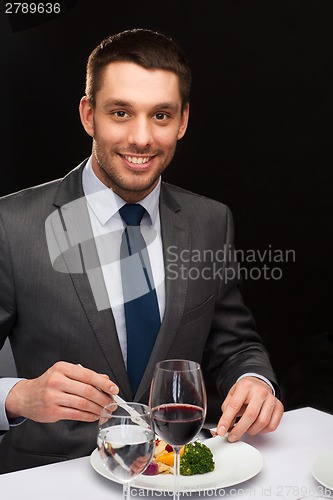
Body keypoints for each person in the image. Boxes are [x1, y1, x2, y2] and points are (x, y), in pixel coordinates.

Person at [0, 28, 284, 473]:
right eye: (121, 112)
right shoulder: (10, 225)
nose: (141, 138)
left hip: (178, 475)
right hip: (51, 480)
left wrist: (254, 380)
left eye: (161, 116)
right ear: (89, 115)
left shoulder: (210, 221)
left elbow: (234, 343)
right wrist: (17, 397)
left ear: (183, 121)